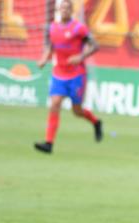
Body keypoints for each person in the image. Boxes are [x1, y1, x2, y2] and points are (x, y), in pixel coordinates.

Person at [33, 0, 102, 154]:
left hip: (76, 74)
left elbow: (95, 45)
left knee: (76, 111)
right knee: (55, 103)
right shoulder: (52, 28)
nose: (64, 10)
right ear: (58, 9)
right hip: (59, 73)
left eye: (67, 8)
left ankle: (96, 122)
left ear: (71, 11)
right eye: (61, 8)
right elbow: (50, 46)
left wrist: (81, 56)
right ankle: (49, 143)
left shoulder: (79, 28)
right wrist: (44, 58)